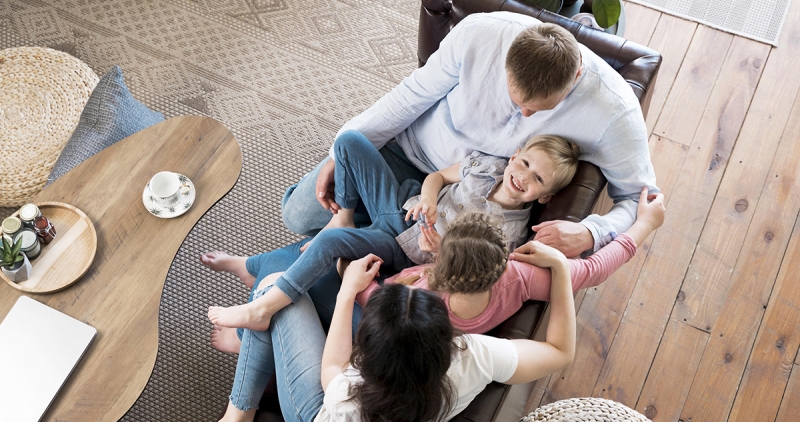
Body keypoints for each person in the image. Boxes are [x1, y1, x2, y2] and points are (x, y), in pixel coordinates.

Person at [281, 11, 658, 258]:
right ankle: (363, 224)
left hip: (465, 203)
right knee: (298, 213)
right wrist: (340, 151)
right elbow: (410, 96)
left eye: (539, 109)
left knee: (358, 242)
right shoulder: (481, 34)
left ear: (575, 77)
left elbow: (643, 199)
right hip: (406, 154)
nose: (523, 115)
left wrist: (592, 233)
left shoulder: (615, 111)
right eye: (515, 100)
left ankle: (366, 230)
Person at [176, 239, 576, 422]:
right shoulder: (473, 355)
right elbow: (561, 351)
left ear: (363, 349)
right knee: (273, 301)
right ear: (444, 337)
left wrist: (347, 294)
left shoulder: (350, 389)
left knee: (272, 288)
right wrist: (559, 267)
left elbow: (330, 370)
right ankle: (253, 342)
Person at [206, 129, 578, 331]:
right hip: (403, 208)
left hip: (405, 250)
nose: (522, 177)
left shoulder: (511, 231)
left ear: (548, 196)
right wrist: (428, 198)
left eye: (537, 178)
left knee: (332, 243)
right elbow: (436, 177)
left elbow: (465, 275)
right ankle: (345, 215)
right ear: (515, 155)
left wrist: (440, 249)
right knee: (349, 142)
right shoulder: (488, 166)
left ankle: (263, 302)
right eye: (525, 163)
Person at [354, 188, 664, 334]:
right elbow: (594, 270)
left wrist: (351, 281)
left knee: (333, 252)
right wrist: (645, 225)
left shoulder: (418, 300)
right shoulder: (517, 276)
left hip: (370, 310)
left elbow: (374, 301)